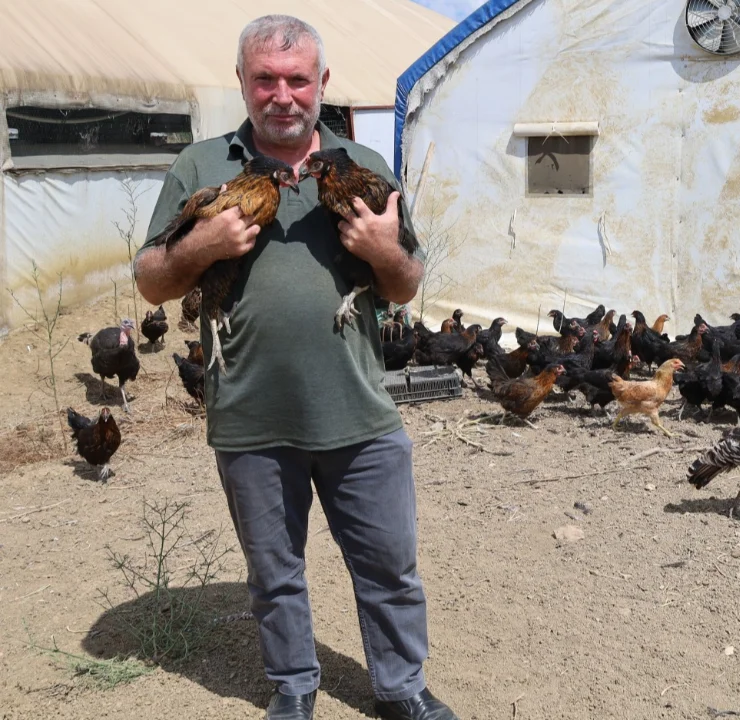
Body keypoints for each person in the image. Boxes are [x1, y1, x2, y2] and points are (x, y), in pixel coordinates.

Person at [135, 15, 458, 720]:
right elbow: (152, 282)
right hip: (251, 413)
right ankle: (293, 685)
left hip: (358, 408)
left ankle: (402, 687)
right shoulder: (201, 165)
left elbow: (406, 284)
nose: (282, 95)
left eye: (297, 79)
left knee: (389, 565)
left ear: (322, 83)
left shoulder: (366, 164)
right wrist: (204, 247)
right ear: (243, 82)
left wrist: (382, 249)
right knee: (274, 572)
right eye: (265, 80)